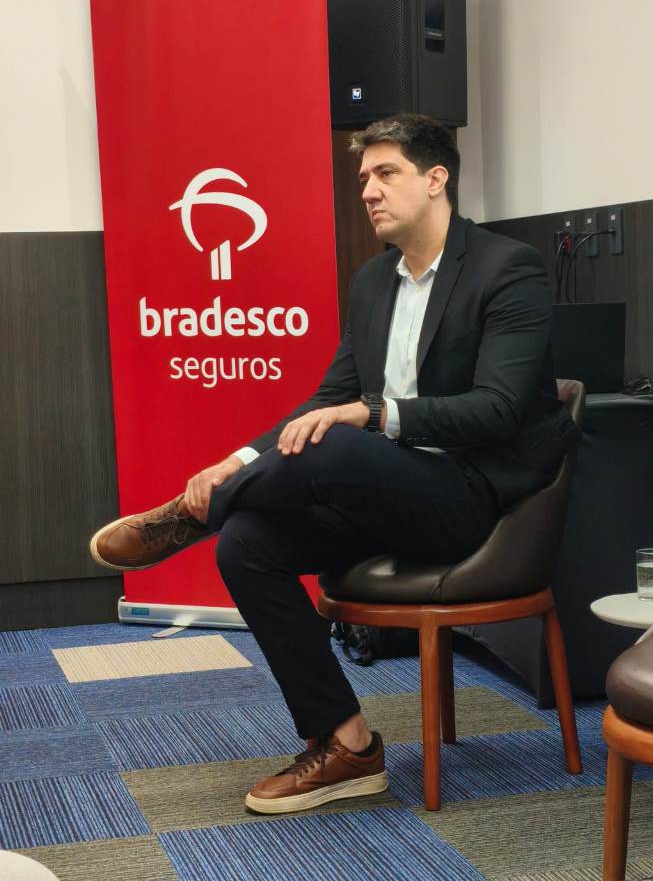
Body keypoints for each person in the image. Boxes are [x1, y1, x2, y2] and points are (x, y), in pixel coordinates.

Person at [90, 113, 580, 815]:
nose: (369, 191)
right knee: (247, 543)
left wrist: (373, 414)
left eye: (386, 173)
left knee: (339, 439)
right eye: (363, 178)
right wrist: (234, 460)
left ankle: (190, 517)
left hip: (475, 501)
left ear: (436, 179)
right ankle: (348, 743)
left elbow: (497, 410)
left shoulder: (508, 269)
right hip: (387, 490)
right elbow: (326, 401)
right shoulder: (374, 280)